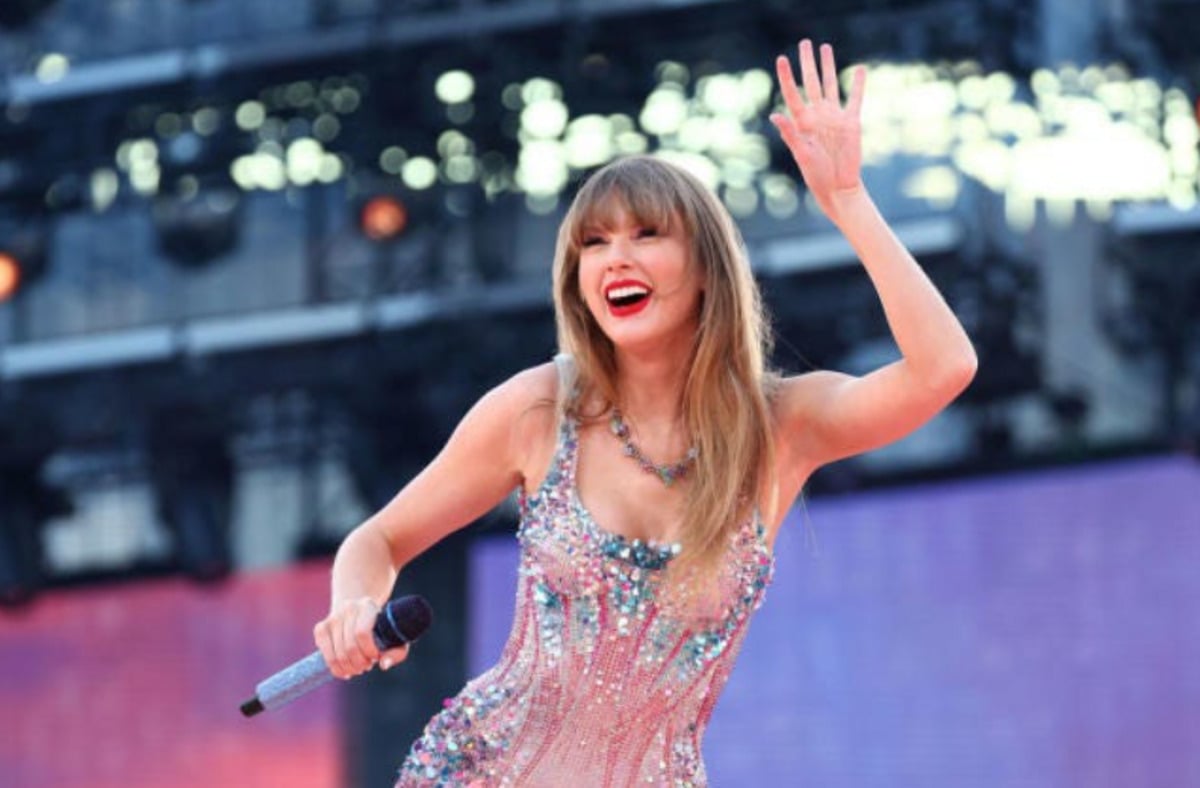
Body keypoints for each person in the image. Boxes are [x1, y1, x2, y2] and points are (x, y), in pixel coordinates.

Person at [313, 39, 977, 786]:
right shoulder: (540, 409)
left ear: (706, 268)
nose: (615, 259)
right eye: (594, 243)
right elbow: (378, 539)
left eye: (646, 234)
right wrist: (356, 609)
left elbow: (945, 368)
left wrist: (849, 203)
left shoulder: (781, 427)